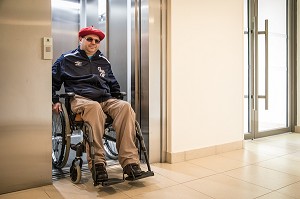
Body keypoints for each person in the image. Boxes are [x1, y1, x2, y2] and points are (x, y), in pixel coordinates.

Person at [52, 26, 142, 182]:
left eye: (97, 41)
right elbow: (53, 81)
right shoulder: (66, 59)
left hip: (104, 99)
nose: (93, 43)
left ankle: (130, 163)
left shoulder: (103, 61)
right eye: (89, 39)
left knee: (125, 107)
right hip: (80, 99)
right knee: (94, 108)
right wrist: (54, 100)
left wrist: (117, 98)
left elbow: (113, 83)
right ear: (81, 39)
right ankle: (98, 162)